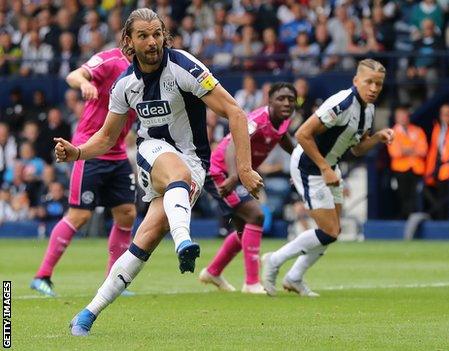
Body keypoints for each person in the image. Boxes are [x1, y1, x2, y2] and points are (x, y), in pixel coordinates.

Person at [54, 8, 262, 336]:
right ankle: (183, 241)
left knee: (144, 242)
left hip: (194, 164)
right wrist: (77, 152)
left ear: (164, 35)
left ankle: (88, 313)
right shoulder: (124, 85)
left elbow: (235, 112)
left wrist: (245, 168)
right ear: (129, 41)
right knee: (175, 171)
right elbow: (108, 137)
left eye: (157, 34)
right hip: (152, 152)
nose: (152, 42)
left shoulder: (185, 67)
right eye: (143, 36)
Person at [261, 59, 394, 297]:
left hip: (328, 166)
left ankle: (294, 277)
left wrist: (377, 138)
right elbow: (302, 134)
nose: (374, 88)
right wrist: (324, 168)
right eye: (369, 82)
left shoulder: (369, 110)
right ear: (356, 81)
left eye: (379, 84)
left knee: (333, 230)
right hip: (309, 165)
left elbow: (356, 150)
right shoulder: (342, 103)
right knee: (329, 230)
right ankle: (274, 260)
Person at [30, 46, 137, 298]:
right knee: (79, 215)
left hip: (118, 151)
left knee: (127, 214)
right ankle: (42, 276)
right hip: (89, 149)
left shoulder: (149, 70)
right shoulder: (112, 60)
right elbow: (74, 75)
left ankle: (114, 283)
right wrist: (84, 84)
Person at [200, 82, 297, 294]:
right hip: (220, 171)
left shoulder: (282, 121)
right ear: (269, 101)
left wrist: (300, 163)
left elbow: (284, 139)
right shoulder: (258, 119)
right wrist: (236, 176)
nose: (287, 103)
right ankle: (251, 283)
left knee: (244, 229)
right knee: (256, 216)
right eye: (281, 98)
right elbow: (235, 142)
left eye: (291, 99)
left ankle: (213, 272)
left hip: (236, 174)